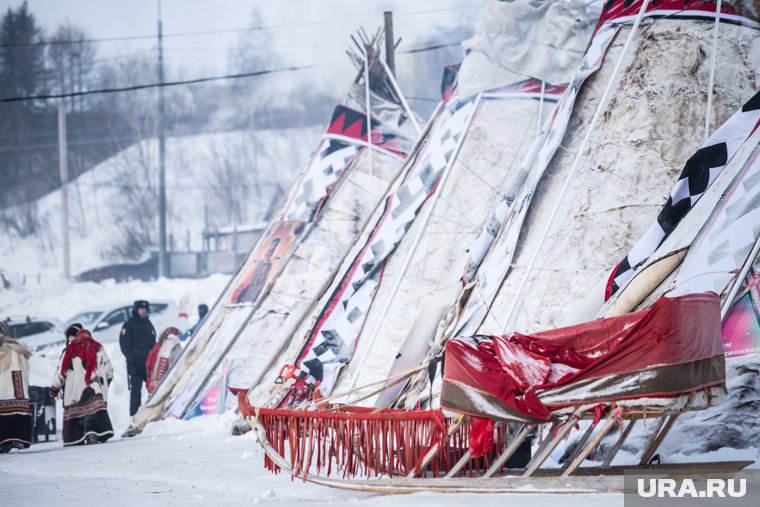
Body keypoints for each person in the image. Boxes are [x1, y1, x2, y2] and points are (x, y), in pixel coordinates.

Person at [50, 329, 114, 446]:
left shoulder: (69, 350)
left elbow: (61, 372)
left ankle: (78, 436)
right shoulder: (98, 348)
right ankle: (92, 433)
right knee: (93, 411)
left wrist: (55, 388)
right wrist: (105, 384)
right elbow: (109, 370)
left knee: (78, 414)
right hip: (94, 388)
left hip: (76, 392)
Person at [119, 300, 156, 416]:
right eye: (141, 309)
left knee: (154, 389)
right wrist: (133, 359)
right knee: (136, 392)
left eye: (145, 309)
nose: (143, 311)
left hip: (149, 363)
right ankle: (134, 416)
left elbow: (153, 342)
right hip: (135, 364)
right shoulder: (129, 324)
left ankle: (153, 413)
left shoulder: (148, 323)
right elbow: (124, 345)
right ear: (136, 309)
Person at [0, 322, 33, 453]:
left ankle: (15, 440)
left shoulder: (14, 345)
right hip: (8, 385)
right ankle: (7, 442)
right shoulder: (14, 345)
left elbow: (25, 356)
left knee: (14, 414)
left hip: (14, 384)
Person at [145, 326, 182, 393]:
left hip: (152, 382)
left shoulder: (158, 347)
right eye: (178, 336)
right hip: (159, 383)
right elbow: (161, 366)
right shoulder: (168, 345)